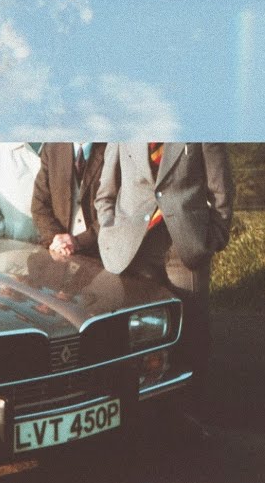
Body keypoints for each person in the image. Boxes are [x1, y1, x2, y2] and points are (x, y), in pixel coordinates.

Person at [94, 142, 234, 440]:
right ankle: (135, 416)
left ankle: (187, 416)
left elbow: (221, 188)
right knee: (138, 334)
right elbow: (106, 191)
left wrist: (214, 237)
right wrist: (109, 231)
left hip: (185, 248)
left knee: (191, 331)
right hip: (135, 250)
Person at [31, 142, 108, 258]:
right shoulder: (52, 147)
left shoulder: (112, 148)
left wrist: (79, 241)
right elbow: (39, 204)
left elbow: (115, 210)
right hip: (58, 253)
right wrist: (57, 239)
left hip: (99, 256)